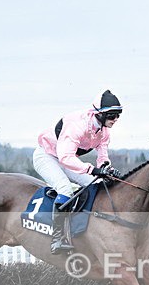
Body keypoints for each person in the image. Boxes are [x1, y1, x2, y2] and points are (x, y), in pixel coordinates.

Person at [33, 90, 124, 254]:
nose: (115, 119)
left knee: (98, 183)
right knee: (65, 189)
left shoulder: (104, 131)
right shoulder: (77, 126)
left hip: (66, 158)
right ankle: (57, 239)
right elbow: (66, 158)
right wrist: (93, 169)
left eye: (118, 115)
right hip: (47, 156)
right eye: (112, 115)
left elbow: (102, 157)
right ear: (99, 114)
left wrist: (106, 169)